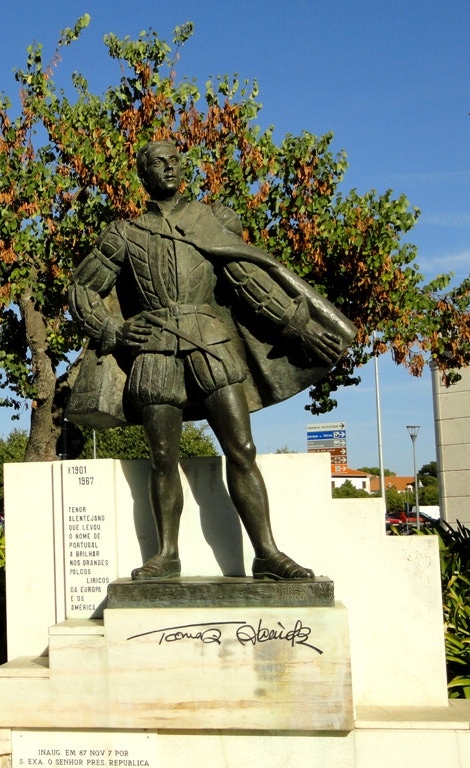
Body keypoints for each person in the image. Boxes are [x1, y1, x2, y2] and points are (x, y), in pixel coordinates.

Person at [69, 140, 355, 581]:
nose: (170, 167)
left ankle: (267, 553)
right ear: (143, 174)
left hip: (213, 345)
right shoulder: (124, 232)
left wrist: (298, 328)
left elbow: (247, 282)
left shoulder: (211, 220)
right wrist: (113, 330)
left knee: (242, 449)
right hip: (155, 349)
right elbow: (83, 289)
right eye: (159, 162)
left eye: (175, 159)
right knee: (163, 457)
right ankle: (166, 555)